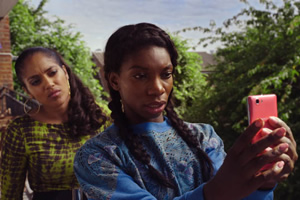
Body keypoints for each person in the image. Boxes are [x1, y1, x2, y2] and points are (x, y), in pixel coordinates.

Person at [73, 23, 298, 200]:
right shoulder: (97, 156)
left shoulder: (204, 137)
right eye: (140, 76)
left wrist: (263, 182)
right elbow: (224, 192)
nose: (157, 88)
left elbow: (237, 194)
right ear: (114, 80)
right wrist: (216, 192)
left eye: (166, 74)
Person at [0, 47, 109, 200]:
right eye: (36, 81)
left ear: (65, 72)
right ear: (27, 91)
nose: (49, 83)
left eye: (52, 73)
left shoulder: (101, 116)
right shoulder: (21, 130)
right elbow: (10, 194)